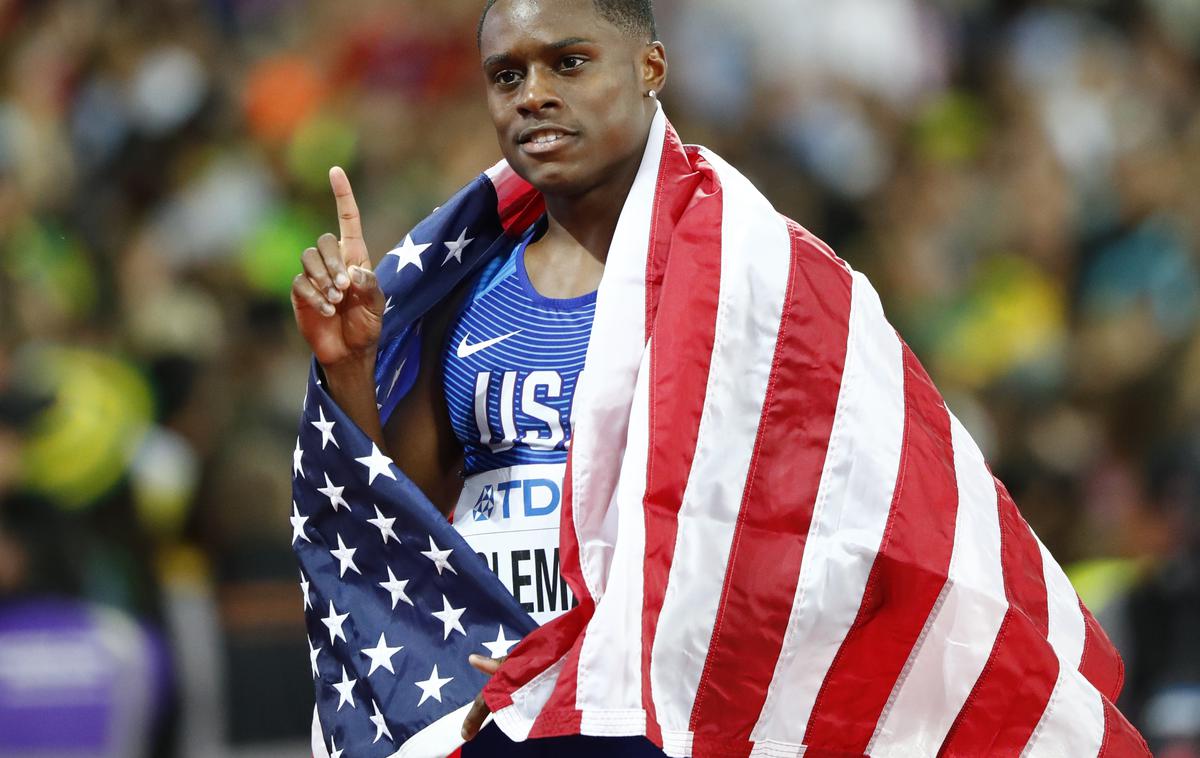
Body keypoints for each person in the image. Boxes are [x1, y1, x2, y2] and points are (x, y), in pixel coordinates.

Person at [291, 0, 668, 753]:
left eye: (568, 62)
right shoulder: (464, 285)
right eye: (506, 75)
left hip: (647, 710)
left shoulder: (729, 275)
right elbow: (410, 514)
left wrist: (593, 654)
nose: (533, 94)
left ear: (649, 68)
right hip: (487, 698)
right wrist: (352, 364)